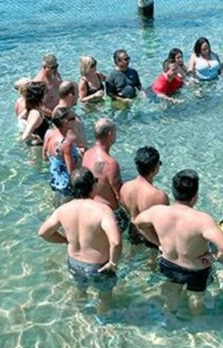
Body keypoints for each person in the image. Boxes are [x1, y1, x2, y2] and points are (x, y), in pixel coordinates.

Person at [133, 170, 223, 316]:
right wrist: (210, 259)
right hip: (196, 270)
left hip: (169, 264)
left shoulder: (157, 212)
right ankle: (198, 330)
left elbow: (138, 223)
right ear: (196, 196)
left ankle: (170, 323)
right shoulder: (203, 220)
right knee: (196, 300)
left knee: (170, 296)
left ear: (173, 192)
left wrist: (158, 243)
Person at [37, 167, 122, 313]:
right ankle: (103, 321)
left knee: (80, 291)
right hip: (99, 266)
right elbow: (116, 242)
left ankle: (81, 316)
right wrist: (113, 263)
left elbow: (43, 233)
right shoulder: (103, 210)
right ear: (93, 186)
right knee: (104, 296)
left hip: (74, 263)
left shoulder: (63, 210)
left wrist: (64, 240)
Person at [81, 118, 128, 232]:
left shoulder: (87, 154)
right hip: (109, 213)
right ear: (110, 134)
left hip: (91, 209)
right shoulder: (110, 163)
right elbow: (119, 195)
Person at [120, 146, 170, 247]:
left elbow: (125, 207)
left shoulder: (125, 187)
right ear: (155, 168)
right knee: (152, 261)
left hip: (132, 230)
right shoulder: (159, 196)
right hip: (152, 236)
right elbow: (165, 224)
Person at [44, 107, 82, 206]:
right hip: (66, 186)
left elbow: (44, 157)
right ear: (65, 122)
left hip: (55, 181)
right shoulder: (66, 143)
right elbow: (71, 172)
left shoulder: (49, 134)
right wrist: (79, 158)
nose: (76, 120)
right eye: (73, 118)